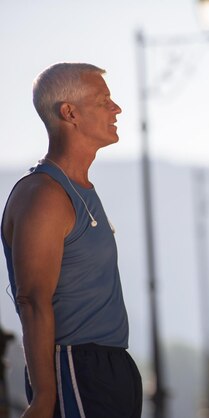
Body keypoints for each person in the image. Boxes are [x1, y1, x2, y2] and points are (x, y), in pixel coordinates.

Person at [1, 63, 142, 418]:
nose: (117, 109)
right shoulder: (44, 195)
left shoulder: (81, 190)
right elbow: (32, 300)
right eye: (104, 101)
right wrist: (45, 397)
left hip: (110, 368)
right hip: (75, 371)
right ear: (70, 112)